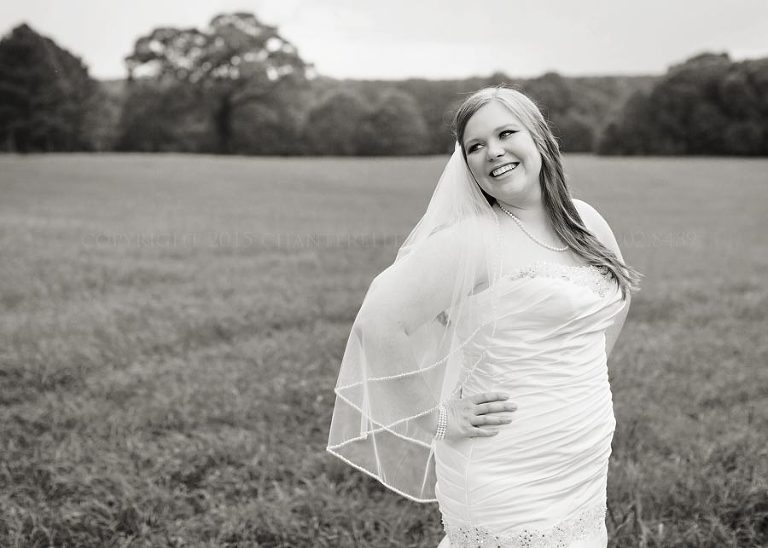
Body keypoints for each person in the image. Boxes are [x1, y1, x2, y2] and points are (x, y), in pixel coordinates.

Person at [327, 86, 642, 548]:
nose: (492, 151)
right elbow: (377, 326)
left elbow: (617, 297)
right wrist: (435, 418)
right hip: (504, 459)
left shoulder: (586, 220)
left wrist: (574, 377)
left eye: (505, 132)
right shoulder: (472, 240)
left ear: (538, 136)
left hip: (582, 443)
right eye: (475, 146)